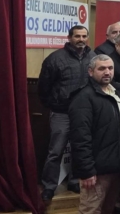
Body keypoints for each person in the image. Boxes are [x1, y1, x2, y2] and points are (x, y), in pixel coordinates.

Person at [68, 55, 120, 213]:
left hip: (117, 166)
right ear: (91, 71)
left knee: (108, 210)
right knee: (91, 210)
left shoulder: (117, 92)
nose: (107, 72)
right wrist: (87, 171)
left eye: (110, 68)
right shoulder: (83, 97)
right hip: (96, 171)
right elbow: (80, 138)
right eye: (102, 68)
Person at [38, 25, 94, 200]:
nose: (81, 39)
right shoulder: (55, 58)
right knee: (55, 151)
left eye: (84, 36)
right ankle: (49, 186)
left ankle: (75, 181)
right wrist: (53, 104)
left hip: (83, 113)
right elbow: (43, 87)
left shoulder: (93, 58)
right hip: (61, 113)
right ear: (69, 38)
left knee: (80, 148)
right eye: (77, 36)